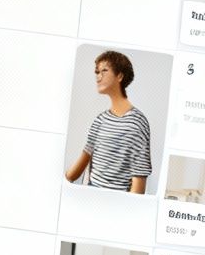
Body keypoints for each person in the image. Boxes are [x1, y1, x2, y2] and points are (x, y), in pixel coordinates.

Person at [65, 50, 152, 193]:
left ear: (120, 76)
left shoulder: (137, 123)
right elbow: (77, 170)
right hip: (90, 196)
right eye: (97, 72)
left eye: (104, 71)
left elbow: (139, 181)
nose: (98, 77)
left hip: (117, 202)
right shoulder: (100, 121)